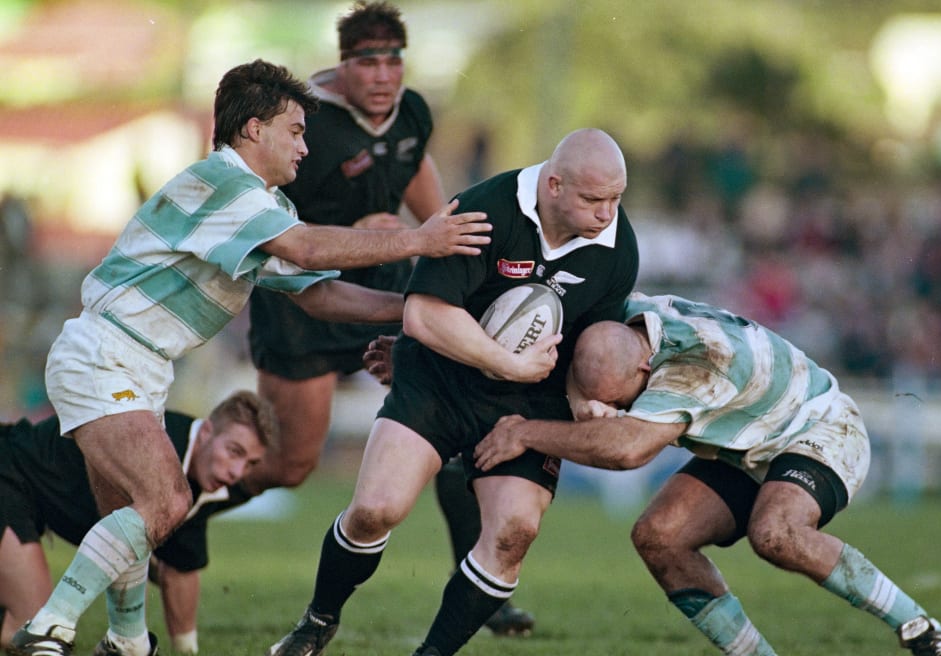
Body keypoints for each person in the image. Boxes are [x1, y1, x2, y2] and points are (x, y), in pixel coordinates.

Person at [8, 59, 490, 656]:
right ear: (253, 129)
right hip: (106, 353)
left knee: (137, 517)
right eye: (295, 130)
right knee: (168, 502)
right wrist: (421, 239)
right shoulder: (223, 184)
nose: (306, 148)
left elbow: (318, 295)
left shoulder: (266, 209)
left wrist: (417, 309)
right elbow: (310, 250)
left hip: (138, 364)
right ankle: (49, 627)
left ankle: (127, 642)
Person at [267, 127, 639, 656]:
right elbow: (422, 313)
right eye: (593, 199)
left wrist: (584, 403)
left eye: (616, 199)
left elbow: (587, 344)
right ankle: (319, 618)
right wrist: (506, 362)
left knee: (513, 532)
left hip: (527, 401)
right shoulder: (487, 209)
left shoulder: (617, 247)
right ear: (554, 185)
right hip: (439, 378)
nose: (607, 214)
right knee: (376, 509)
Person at [474, 292, 941, 656]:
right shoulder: (620, 323)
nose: (609, 412)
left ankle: (925, 633)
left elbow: (628, 451)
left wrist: (525, 433)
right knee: (659, 536)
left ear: (646, 374)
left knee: (776, 533)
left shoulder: (698, 367)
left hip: (819, 428)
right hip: (749, 443)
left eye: (619, 403)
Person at [244, 2, 531, 635]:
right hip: (303, 305)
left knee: (453, 435)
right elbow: (275, 234)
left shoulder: (414, 114)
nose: (381, 73)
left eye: (392, 58)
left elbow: (424, 188)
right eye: (366, 60)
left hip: (389, 298)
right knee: (292, 464)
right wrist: (374, 233)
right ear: (342, 65)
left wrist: (457, 242)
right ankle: (185, 508)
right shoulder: (305, 122)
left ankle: (484, 591)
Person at [0, 391, 276, 656]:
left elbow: (181, 569)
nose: (237, 472)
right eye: (234, 451)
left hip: (32, 502)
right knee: (30, 629)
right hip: (9, 474)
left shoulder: (201, 478)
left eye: (250, 464)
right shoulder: (159, 443)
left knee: (36, 628)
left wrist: (187, 650)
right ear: (205, 432)